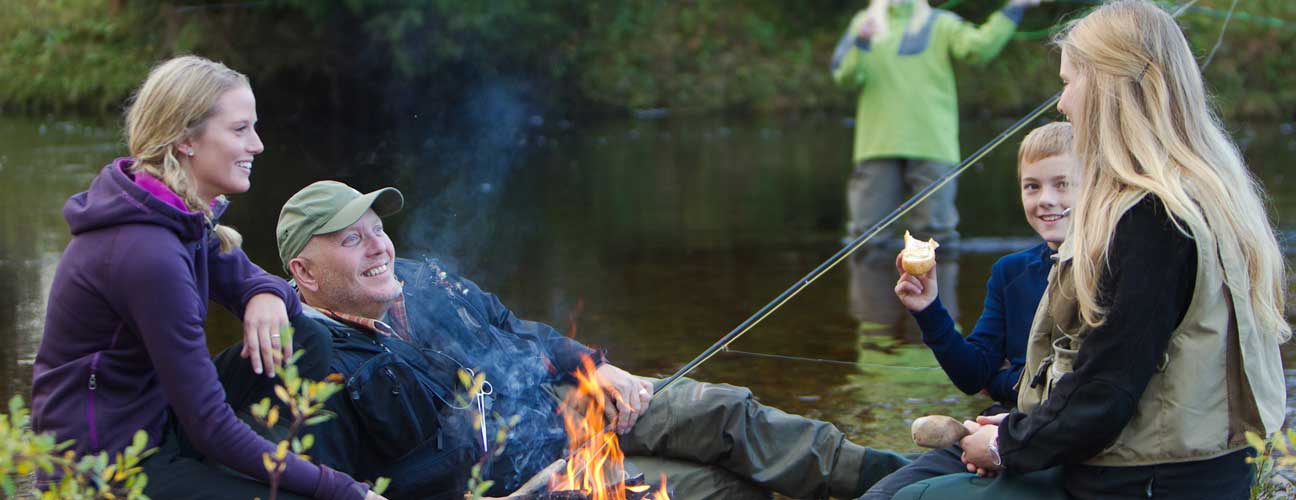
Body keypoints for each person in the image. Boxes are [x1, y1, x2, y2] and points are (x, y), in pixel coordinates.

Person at [216, 180, 912, 500]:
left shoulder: (422, 280)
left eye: (376, 227)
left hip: (560, 405)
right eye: (351, 239)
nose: (378, 245)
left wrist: (596, 368)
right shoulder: (317, 365)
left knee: (723, 411)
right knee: (717, 488)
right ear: (301, 273)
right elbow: (368, 481)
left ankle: (906, 482)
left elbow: (519, 333)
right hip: (523, 473)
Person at [958, 2, 1288, 499]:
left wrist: (1005, 444)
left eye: (1070, 82)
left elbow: (1106, 391)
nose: (1062, 103)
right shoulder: (1211, 195)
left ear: (1111, 86)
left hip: (1144, 484)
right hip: (1199, 474)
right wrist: (1028, 426)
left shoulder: (1153, 217)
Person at [31, 56, 379, 500]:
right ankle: (255, 478)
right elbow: (211, 424)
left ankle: (241, 475)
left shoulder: (175, 212)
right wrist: (349, 492)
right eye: (239, 130)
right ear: (184, 140)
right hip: (107, 470)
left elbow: (250, 280)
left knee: (304, 338)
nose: (257, 145)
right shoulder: (148, 253)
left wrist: (266, 293)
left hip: (160, 423)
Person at [859, 122, 1076, 500]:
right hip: (985, 431)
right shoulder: (1010, 272)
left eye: (1062, 184)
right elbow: (973, 372)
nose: (1045, 199)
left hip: (1050, 443)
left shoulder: (1111, 272)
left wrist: (1006, 384)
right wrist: (929, 309)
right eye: (1032, 186)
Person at [831, 0, 1040, 246]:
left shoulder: (942, 23)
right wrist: (861, 41)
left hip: (932, 146)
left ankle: (936, 285)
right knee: (867, 238)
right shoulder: (864, 22)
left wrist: (1014, 7)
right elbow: (844, 76)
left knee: (934, 239)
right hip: (877, 146)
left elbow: (978, 49)